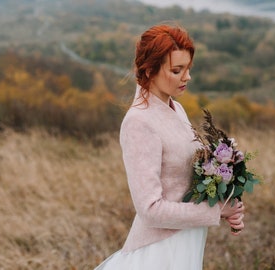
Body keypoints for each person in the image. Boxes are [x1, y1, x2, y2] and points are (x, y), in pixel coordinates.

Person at [94, 23, 245, 270]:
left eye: (188, 68)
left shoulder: (176, 108)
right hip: (159, 250)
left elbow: (185, 180)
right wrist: (217, 211)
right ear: (150, 69)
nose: (187, 77)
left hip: (186, 240)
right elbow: (150, 210)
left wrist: (229, 198)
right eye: (177, 70)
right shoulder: (139, 122)